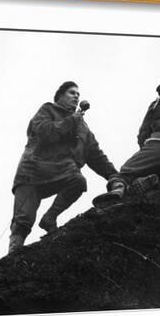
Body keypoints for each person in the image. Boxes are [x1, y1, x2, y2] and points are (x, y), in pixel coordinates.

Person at [9, 81, 117, 253]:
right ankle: (12, 257)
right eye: (71, 92)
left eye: (78, 94)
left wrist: (115, 176)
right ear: (60, 96)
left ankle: (49, 218)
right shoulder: (47, 110)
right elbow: (45, 133)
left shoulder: (83, 129)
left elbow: (96, 156)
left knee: (78, 181)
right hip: (32, 171)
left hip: (60, 171)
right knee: (23, 220)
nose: (76, 96)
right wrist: (70, 121)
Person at [99, 82, 160, 203]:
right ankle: (140, 184)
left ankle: (118, 189)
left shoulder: (157, 104)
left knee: (124, 172)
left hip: (158, 146)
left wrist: (144, 149)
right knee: (156, 172)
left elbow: (143, 133)